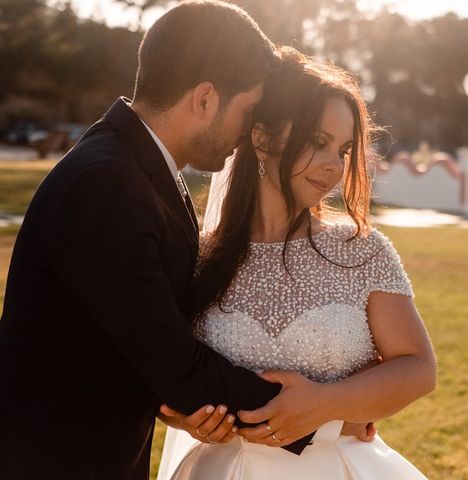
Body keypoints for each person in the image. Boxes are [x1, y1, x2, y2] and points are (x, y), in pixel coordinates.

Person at [0, 2, 327, 478]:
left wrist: (170, 403)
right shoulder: (106, 185)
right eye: (247, 111)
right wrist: (322, 413)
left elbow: (133, 332)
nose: (246, 132)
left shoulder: (136, 169)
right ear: (205, 99)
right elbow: (179, 365)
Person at [158, 47, 437, 480]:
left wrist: (328, 403)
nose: (333, 166)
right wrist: (186, 419)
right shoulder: (199, 259)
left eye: (344, 150)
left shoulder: (362, 251)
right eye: (317, 142)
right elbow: (169, 380)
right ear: (262, 138)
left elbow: (419, 368)